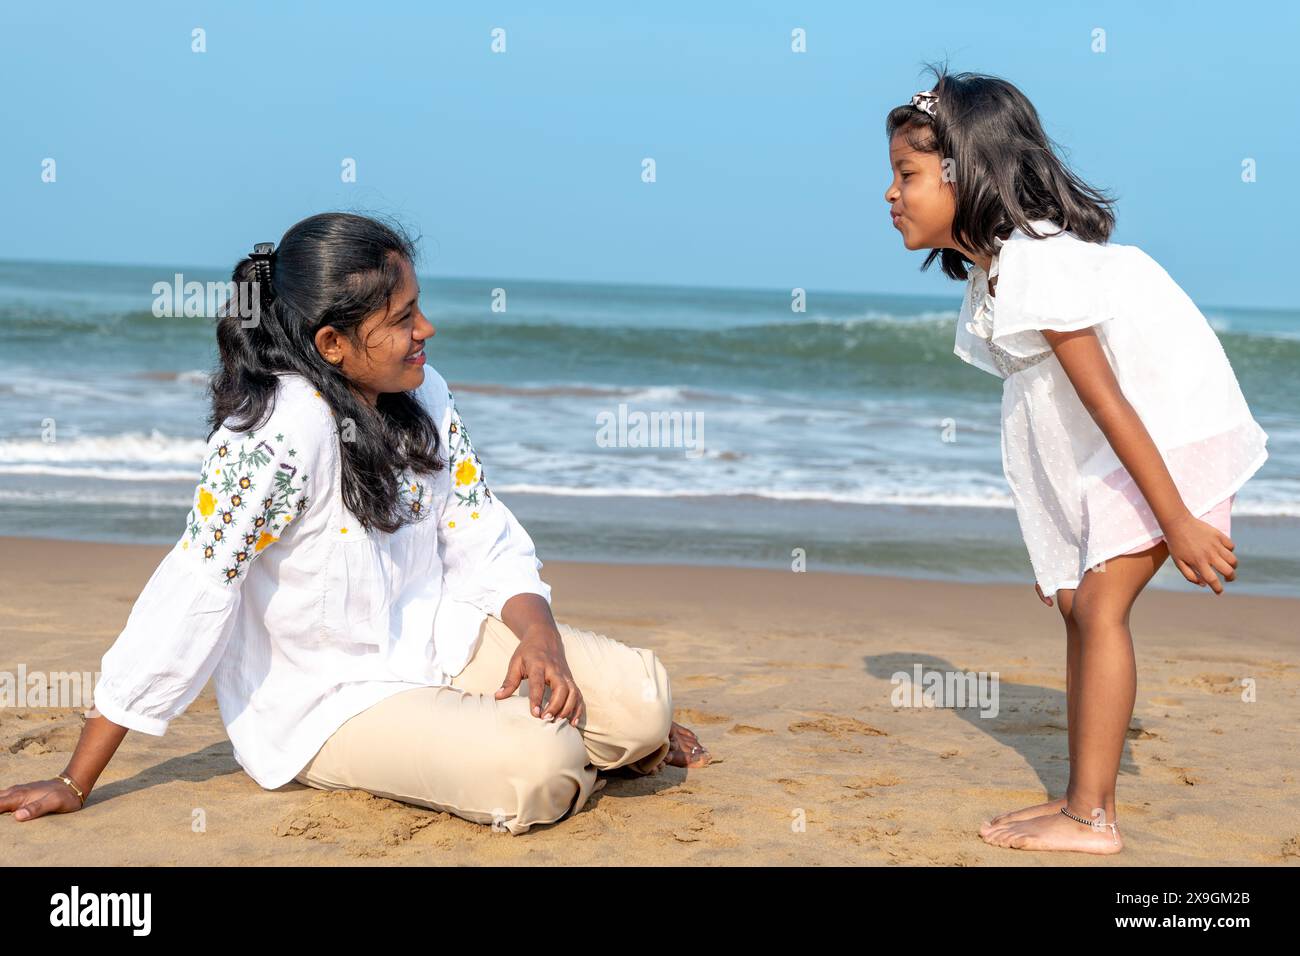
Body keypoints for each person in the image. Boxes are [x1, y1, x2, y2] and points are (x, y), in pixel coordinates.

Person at [0, 212, 709, 835]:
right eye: (401, 320)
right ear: (333, 342)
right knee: (541, 765)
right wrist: (73, 779)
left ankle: (594, 737)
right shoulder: (275, 437)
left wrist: (541, 636)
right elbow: (194, 591)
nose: (425, 330)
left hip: (439, 638)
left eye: (417, 307)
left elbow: (479, 531)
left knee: (643, 702)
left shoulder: (422, 392)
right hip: (329, 700)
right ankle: (565, 751)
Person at [884, 66, 1269, 853]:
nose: (891, 195)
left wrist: (1179, 520)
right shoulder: (997, 275)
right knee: (1077, 608)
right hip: (1117, 451)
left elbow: (1108, 404)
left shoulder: (1040, 262)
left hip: (1171, 433)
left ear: (966, 174)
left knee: (1100, 610)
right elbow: (1044, 417)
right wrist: (1056, 537)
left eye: (907, 175)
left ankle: (1094, 819)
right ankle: (1079, 802)